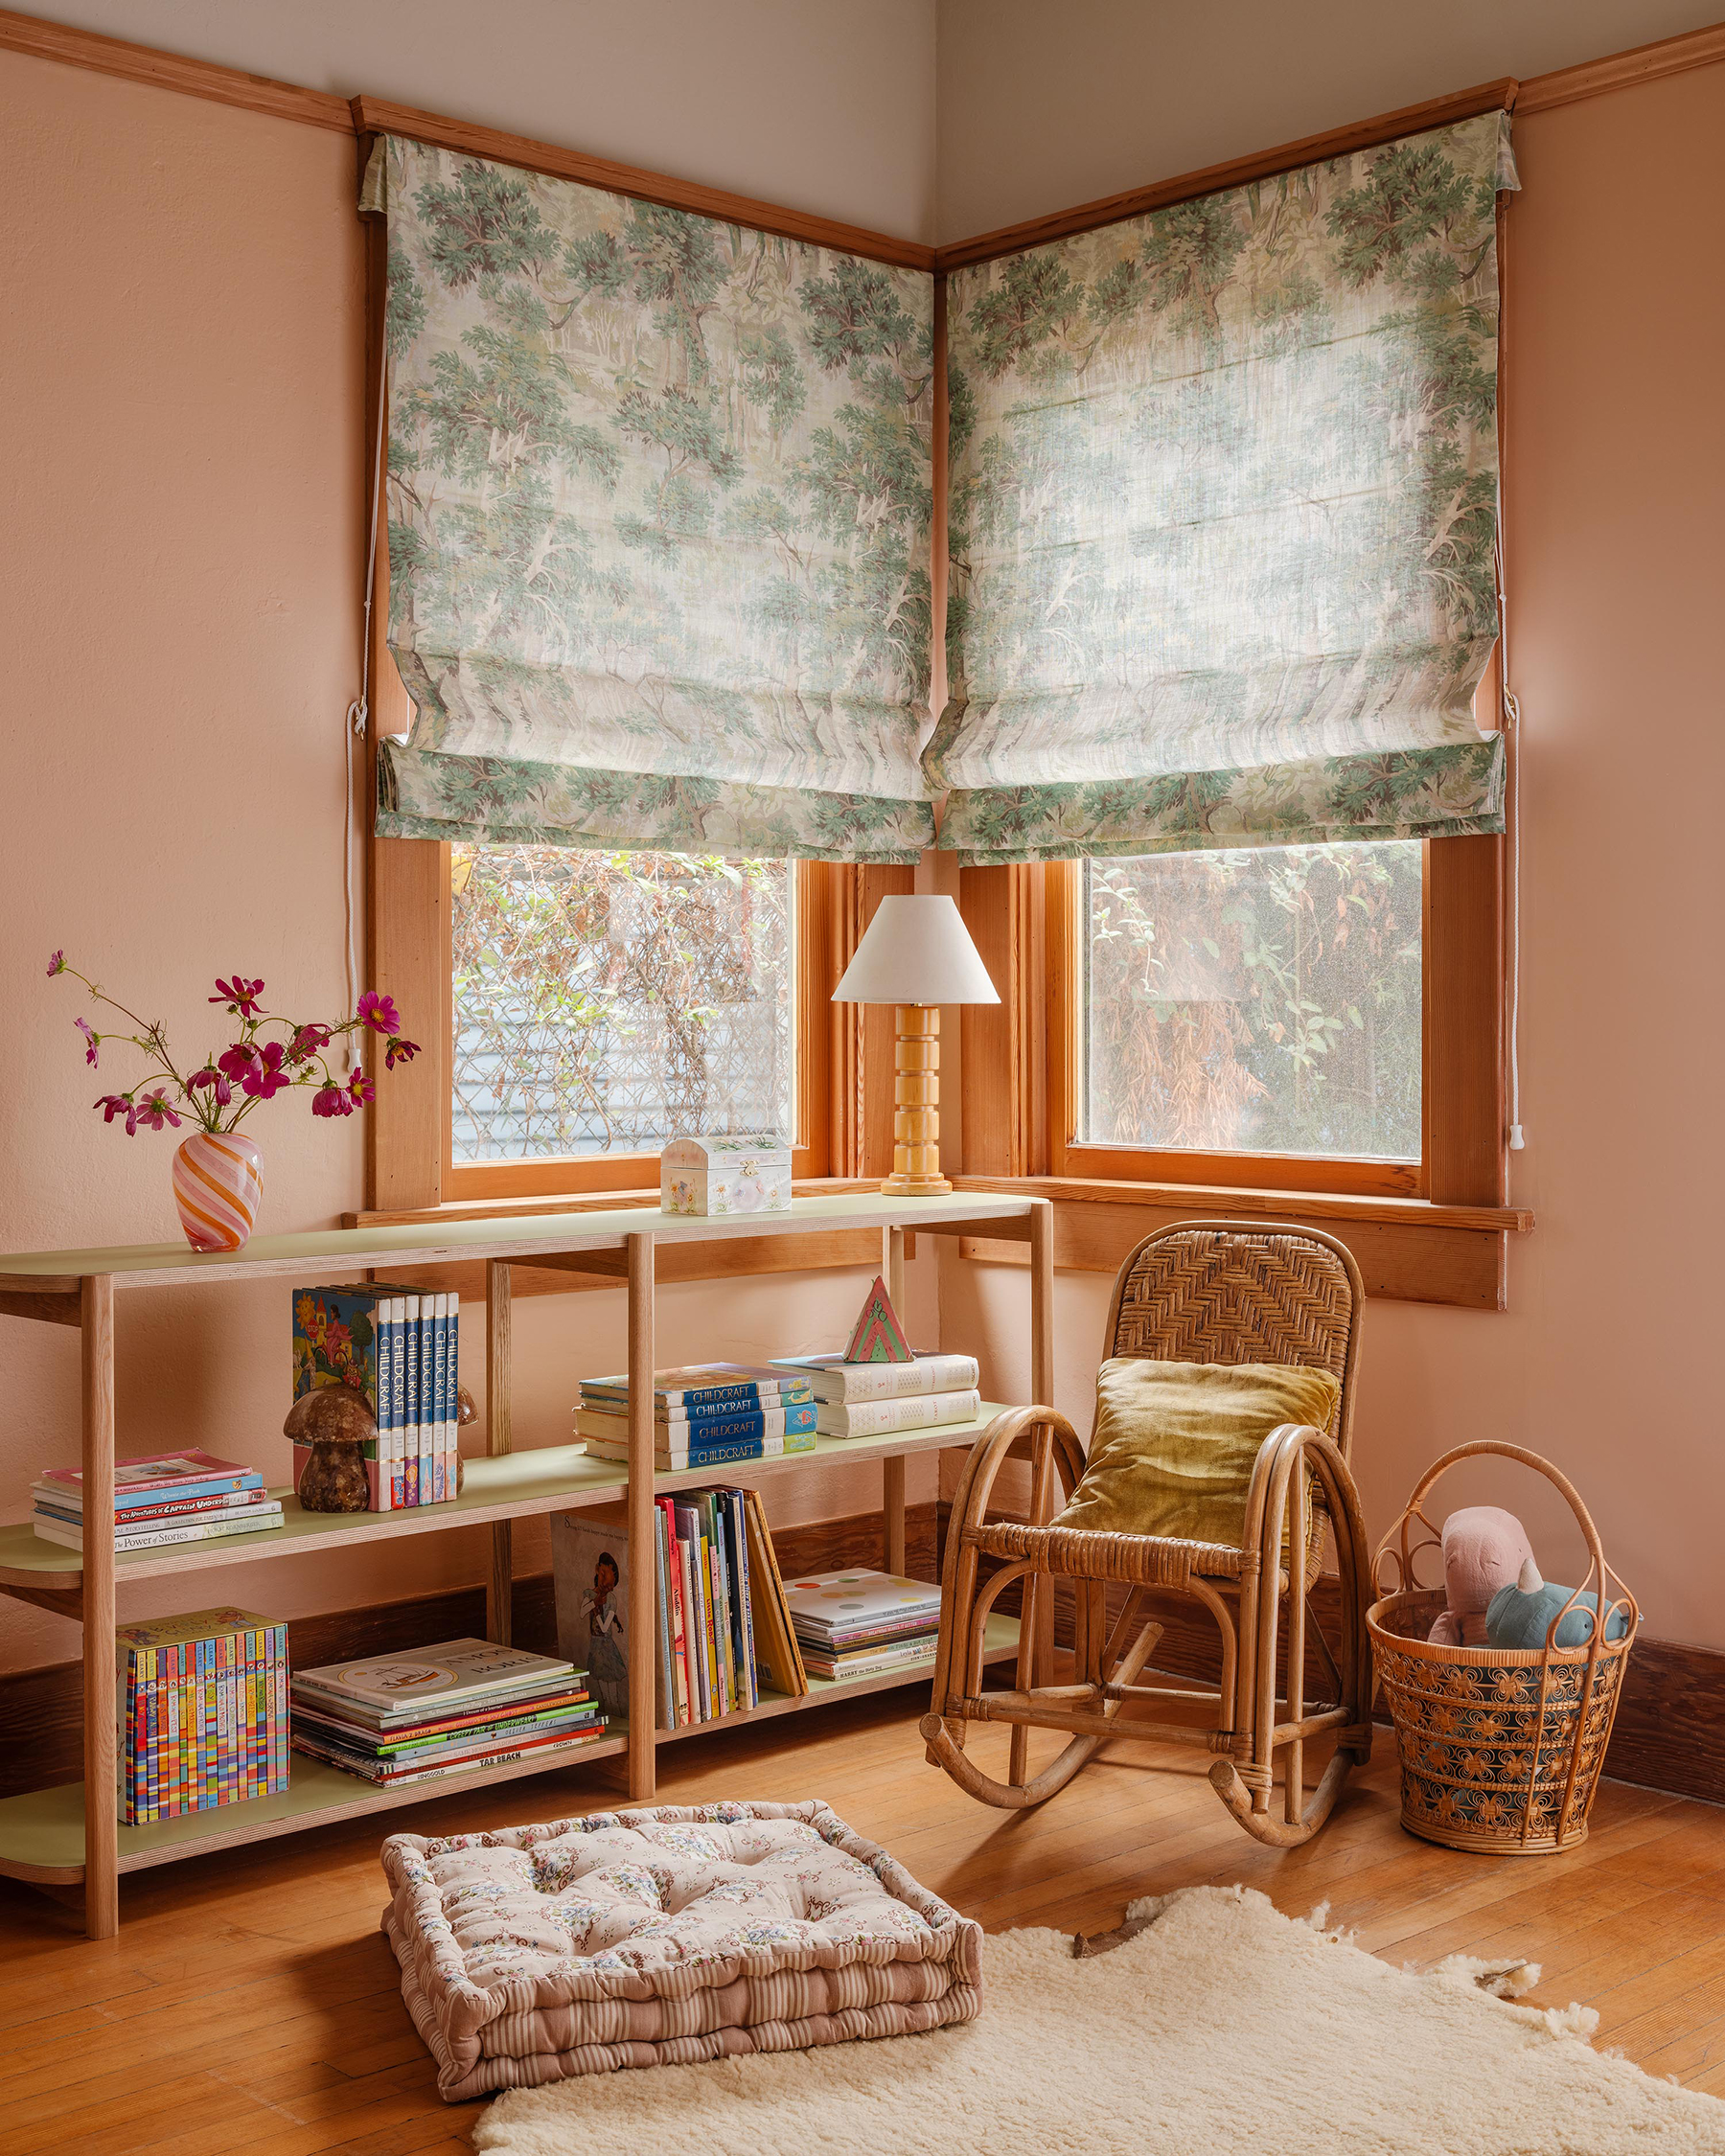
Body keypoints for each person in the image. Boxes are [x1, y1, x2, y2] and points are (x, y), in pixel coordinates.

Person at [583, 1550, 629, 1717]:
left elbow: (604, 1627)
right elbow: (582, 1612)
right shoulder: (590, 1595)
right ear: (597, 1570)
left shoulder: (611, 1600)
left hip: (607, 1648)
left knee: (612, 1694)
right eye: (602, 1574)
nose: (604, 1584)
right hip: (595, 1647)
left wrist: (596, 1610)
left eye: (609, 1585)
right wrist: (593, 1603)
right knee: (602, 1695)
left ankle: (618, 1719)